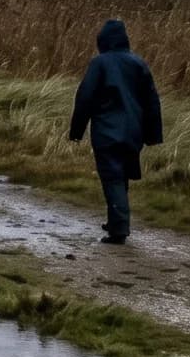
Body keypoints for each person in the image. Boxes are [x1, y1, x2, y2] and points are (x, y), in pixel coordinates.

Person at [68, 18, 162, 245]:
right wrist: (152, 135)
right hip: (133, 131)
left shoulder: (100, 63)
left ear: (103, 41)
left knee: (112, 177)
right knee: (121, 176)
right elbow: (151, 101)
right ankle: (116, 221)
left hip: (107, 130)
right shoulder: (138, 63)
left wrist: (77, 130)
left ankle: (119, 228)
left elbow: (85, 97)